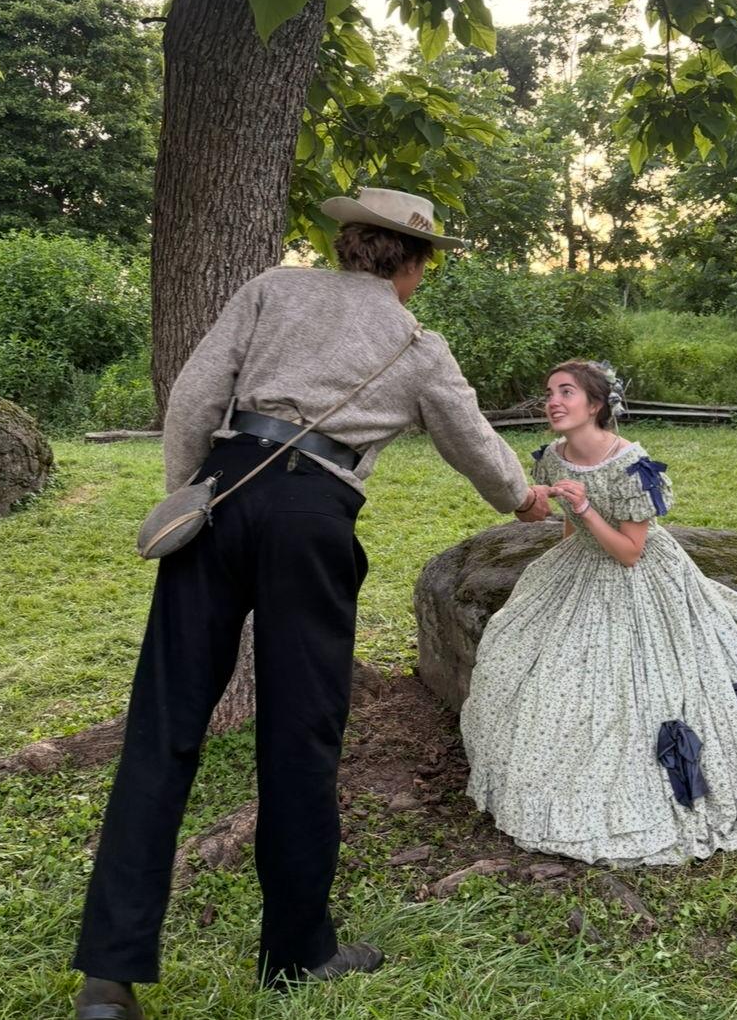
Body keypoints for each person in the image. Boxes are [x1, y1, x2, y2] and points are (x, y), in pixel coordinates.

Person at [72, 188, 550, 1020]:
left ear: (346, 244)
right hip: (313, 517)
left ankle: (108, 979)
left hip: (223, 491)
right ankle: (296, 952)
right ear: (414, 265)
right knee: (301, 737)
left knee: (161, 728)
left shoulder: (271, 288)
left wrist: (190, 497)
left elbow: (193, 396)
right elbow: (472, 440)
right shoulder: (416, 344)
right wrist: (523, 499)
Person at [461, 360, 737, 866]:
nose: (553, 402)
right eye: (549, 393)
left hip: (638, 574)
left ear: (595, 405)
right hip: (583, 563)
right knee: (545, 669)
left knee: (651, 682)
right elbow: (571, 528)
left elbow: (631, 553)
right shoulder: (552, 457)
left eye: (566, 392)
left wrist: (586, 509)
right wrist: (569, 546)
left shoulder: (632, 465)